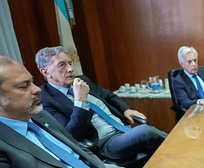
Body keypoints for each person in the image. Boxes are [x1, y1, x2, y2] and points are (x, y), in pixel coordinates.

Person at [36, 46, 167, 160]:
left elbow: (108, 95)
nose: (70, 69)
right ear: (45, 71)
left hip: (123, 129)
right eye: (62, 65)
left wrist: (126, 109)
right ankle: (183, 147)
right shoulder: (45, 99)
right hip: (104, 143)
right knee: (145, 131)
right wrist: (80, 102)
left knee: (161, 153)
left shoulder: (82, 80)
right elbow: (71, 135)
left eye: (70, 63)